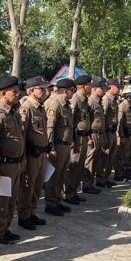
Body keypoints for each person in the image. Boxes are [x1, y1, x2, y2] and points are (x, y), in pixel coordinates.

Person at [0, 76, 25, 244]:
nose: (18, 94)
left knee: (11, 200)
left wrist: (22, 159)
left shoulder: (14, 113)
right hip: (3, 165)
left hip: (15, 163)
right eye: (14, 92)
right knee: (1, 201)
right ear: (3, 94)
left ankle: (6, 228)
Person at [17, 76, 49, 230]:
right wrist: (23, 157)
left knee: (37, 184)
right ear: (31, 91)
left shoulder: (40, 107)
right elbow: (22, 135)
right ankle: (23, 216)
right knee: (27, 185)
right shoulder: (26, 107)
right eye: (41, 89)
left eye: (45, 89)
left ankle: (31, 212)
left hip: (41, 153)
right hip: (31, 155)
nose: (45, 92)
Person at [45, 78, 75, 215]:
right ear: (65, 91)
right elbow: (50, 127)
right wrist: (51, 148)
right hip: (58, 145)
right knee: (54, 176)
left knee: (61, 175)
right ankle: (50, 204)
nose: (73, 93)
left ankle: (58, 200)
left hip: (66, 145)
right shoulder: (55, 104)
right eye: (72, 90)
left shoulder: (66, 106)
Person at [64, 75, 91, 204]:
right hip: (77, 138)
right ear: (83, 86)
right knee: (73, 167)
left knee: (79, 167)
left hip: (84, 137)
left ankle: (74, 191)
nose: (91, 87)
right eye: (89, 85)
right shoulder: (75, 99)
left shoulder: (85, 100)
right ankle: (68, 193)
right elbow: (71, 122)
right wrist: (72, 141)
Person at [82, 77, 106, 193]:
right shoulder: (90, 102)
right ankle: (86, 184)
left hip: (99, 134)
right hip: (92, 134)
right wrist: (89, 138)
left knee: (95, 160)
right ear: (95, 89)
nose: (104, 91)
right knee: (90, 160)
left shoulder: (98, 102)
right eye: (102, 89)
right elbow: (87, 121)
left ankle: (91, 182)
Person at [97, 78, 120, 187]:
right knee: (105, 156)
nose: (119, 89)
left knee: (111, 156)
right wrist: (104, 134)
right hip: (107, 132)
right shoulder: (106, 99)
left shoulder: (114, 99)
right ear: (111, 87)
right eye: (117, 86)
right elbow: (103, 117)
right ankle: (100, 178)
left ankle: (106, 177)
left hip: (113, 131)